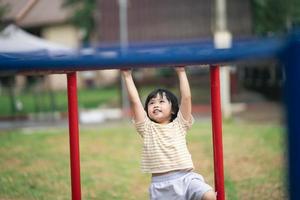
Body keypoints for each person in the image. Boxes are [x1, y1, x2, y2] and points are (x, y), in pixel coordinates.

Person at [121, 67, 216, 200]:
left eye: (161, 101)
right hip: (161, 185)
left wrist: (181, 72)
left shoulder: (180, 124)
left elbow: (187, 98)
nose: (155, 105)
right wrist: (127, 76)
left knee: (209, 195)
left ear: (173, 110)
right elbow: (135, 101)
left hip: (186, 178)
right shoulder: (146, 128)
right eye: (151, 103)